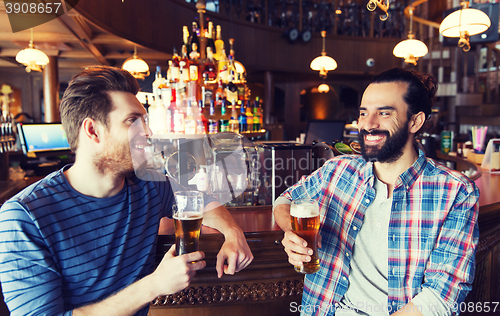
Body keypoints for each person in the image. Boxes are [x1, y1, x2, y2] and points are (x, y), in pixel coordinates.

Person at [0, 66, 253, 316]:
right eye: (133, 121)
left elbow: (201, 201)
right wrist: (154, 285)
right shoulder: (23, 218)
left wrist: (232, 231)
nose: (148, 133)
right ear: (92, 131)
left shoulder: (148, 185)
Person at [274, 68, 479, 316]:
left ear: (415, 121)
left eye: (383, 113)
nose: (367, 124)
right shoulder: (337, 171)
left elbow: (444, 293)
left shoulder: (456, 191)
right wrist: (292, 231)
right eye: (363, 113)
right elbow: (285, 199)